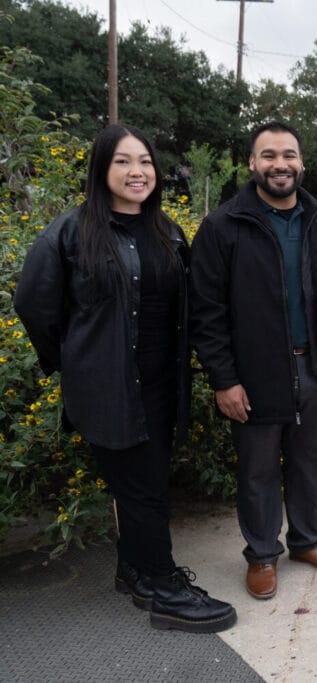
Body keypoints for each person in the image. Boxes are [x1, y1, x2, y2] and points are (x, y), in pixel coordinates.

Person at [14, 125, 236, 633]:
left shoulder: (167, 232)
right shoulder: (70, 231)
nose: (137, 171)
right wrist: (75, 359)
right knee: (145, 492)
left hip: (161, 386)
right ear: (101, 170)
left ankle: (134, 571)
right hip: (108, 388)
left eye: (145, 162)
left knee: (145, 484)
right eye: (122, 161)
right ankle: (165, 588)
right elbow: (33, 303)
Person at [190, 121, 317, 601]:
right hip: (255, 374)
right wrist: (224, 380)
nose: (279, 164)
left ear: (302, 163)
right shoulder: (223, 227)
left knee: (310, 463)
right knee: (257, 470)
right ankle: (262, 554)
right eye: (268, 155)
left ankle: (307, 542)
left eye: (288, 155)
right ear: (252, 164)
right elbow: (206, 312)